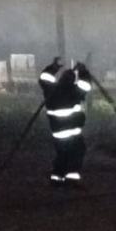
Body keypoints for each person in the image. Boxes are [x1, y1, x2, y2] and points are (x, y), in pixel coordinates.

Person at [38, 57, 92, 188]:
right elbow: (85, 85)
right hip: (72, 134)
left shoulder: (51, 91)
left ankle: (56, 178)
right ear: (73, 81)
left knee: (62, 155)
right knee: (76, 154)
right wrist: (83, 71)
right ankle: (72, 180)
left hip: (57, 133)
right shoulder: (73, 92)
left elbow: (43, 78)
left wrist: (54, 67)